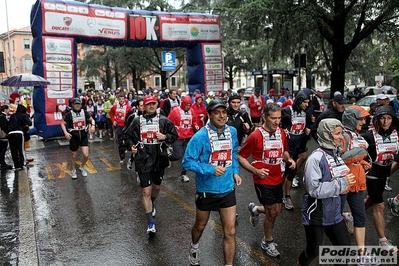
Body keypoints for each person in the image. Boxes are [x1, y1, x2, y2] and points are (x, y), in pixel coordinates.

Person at [182, 99, 242, 266]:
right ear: (209, 115)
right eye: (217, 112)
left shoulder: (232, 132)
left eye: (224, 112)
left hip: (227, 188)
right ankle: (194, 246)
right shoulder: (200, 136)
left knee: (230, 232)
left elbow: (233, 154)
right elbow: (187, 162)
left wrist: (235, 172)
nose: (222, 116)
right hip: (206, 190)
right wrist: (210, 169)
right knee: (200, 226)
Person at [238, 103, 295, 258]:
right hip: (262, 179)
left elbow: (284, 152)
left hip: (278, 177)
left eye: (279, 118)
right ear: (264, 117)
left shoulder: (281, 132)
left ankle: (256, 209)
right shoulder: (255, 135)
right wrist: (255, 170)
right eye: (273, 118)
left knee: (277, 211)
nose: (277, 121)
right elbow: (241, 156)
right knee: (271, 212)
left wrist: (289, 160)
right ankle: (267, 241)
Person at [297, 119, 356, 266]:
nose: (341, 137)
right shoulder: (315, 158)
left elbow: (338, 177)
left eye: (341, 133)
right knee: (313, 252)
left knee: (344, 251)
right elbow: (314, 190)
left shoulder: (335, 153)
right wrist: (342, 183)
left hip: (334, 213)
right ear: (326, 135)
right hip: (316, 214)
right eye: (337, 133)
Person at [125, 95, 178, 236]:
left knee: (156, 187)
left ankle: (152, 202)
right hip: (143, 159)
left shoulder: (163, 121)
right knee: (146, 191)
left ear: (157, 105)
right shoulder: (137, 121)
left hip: (159, 158)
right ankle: (150, 223)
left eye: (153, 104)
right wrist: (131, 146)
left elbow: (174, 135)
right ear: (144, 106)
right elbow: (127, 136)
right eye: (148, 104)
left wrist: (165, 137)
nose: (151, 106)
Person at [362, 105, 398, 252]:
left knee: (372, 199)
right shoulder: (369, 136)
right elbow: (358, 151)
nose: (385, 121)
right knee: (380, 205)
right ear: (377, 119)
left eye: (388, 118)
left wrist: (393, 163)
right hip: (372, 173)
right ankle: (382, 241)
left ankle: (351, 215)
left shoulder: (396, 134)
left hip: (384, 173)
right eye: (382, 118)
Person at [340, 106, 371, 251]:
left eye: (364, 119)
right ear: (352, 119)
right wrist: (356, 156)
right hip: (343, 182)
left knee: (360, 217)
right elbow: (336, 159)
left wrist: (363, 162)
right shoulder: (342, 136)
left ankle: (362, 254)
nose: (364, 122)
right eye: (361, 119)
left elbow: (356, 157)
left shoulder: (358, 135)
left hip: (358, 182)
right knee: (335, 219)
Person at [280, 90, 311, 209]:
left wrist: (308, 130)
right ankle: (286, 196)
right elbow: (276, 121)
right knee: (290, 169)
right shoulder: (287, 111)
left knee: (303, 157)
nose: (307, 105)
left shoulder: (306, 112)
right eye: (305, 102)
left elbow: (307, 126)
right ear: (299, 101)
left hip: (300, 141)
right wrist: (282, 129)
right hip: (290, 142)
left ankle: (283, 189)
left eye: (308, 102)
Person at [60, 98, 95, 179]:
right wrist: (66, 133)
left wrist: (93, 126)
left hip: (83, 136)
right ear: (72, 105)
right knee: (73, 155)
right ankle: (73, 169)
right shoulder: (69, 114)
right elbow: (62, 124)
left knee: (86, 155)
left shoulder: (84, 112)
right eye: (75, 104)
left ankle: (82, 167)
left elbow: (92, 120)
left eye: (79, 104)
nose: (77, 105)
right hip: (74, 137)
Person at [168, 95, 195, 182]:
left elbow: (194, 122)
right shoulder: (176, 111)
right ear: (183, 103)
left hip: (188, 137)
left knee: (186, 156)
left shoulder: (192, 111)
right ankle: (167, 158)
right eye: (186, 105)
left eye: (189, 105)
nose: (188, 107)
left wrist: (196, 126)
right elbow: (168, 122)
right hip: (178, 137)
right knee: (177, 156)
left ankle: (184, 174)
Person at [110, 95, 132, 164]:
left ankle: (131, 157)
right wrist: (113, 121)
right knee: (120, 142)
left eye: (123, 99)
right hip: (119, 126)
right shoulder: (115, 107)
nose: (121, 100)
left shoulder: (129, 107)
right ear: (118, 100)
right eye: (120, 99)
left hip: (127, 127)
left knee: (128, 142)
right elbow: (111, 113)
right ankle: (122, 158)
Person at [0, 105, 12, 170]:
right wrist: (8, 132)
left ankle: (2, 163)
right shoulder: (2, 117)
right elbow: (3, 127)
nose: (9, 110)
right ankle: (3, 164)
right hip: (3, 137)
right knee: (2, 150)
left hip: (2, 137)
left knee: (2, 150)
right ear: (5, 110)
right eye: (8, 109)